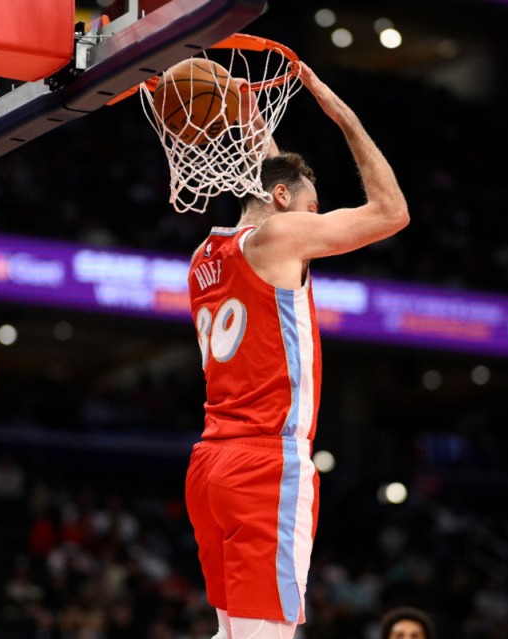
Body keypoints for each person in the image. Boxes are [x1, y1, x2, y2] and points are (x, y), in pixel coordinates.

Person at [184, 60, 409, 639]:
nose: (318, 225)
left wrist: (248, 109)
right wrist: (345, 116)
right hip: (265, 462)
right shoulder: (282, 236)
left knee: (230, 633)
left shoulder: (207, 255)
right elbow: (392, 213)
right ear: (283, 200)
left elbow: (268, 172)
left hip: (210, 465)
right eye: (314, 210)